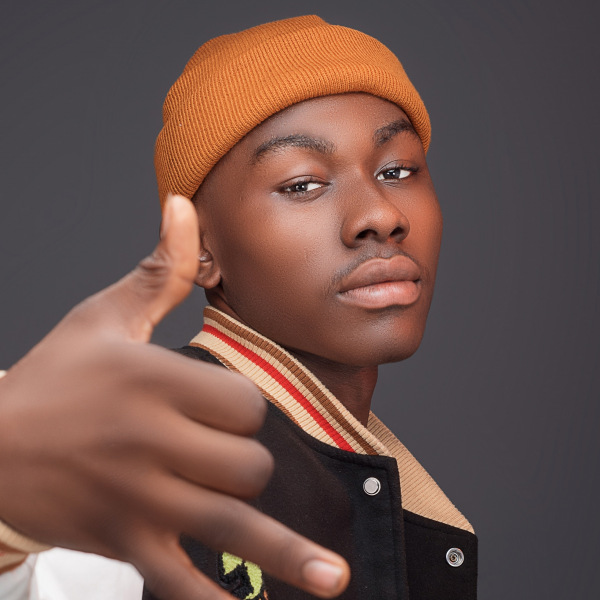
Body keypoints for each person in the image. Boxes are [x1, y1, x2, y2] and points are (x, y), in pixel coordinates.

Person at [0, 15, 477, 600]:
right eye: (303, 184)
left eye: (396, 170)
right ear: (198, 246)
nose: (381, 214)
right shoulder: (136, 441)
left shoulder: (392, 487)